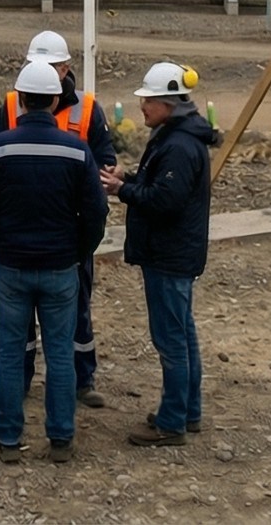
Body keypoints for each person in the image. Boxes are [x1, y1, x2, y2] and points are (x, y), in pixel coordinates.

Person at [0, 59, 107, 464]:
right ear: (55, 99)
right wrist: (80, 250)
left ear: (22, 100)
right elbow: (96, 213)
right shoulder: (78, 151)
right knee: (61, 355)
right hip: (62, 268)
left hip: (11, 267)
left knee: (10, 355)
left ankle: (8, 440)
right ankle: (61, 438)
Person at [0, 29, 118, 408]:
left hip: (68, 233)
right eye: (36, 66)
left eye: (50, 67)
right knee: (20, 321)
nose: (44, 73)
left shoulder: (88, 109)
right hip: (23, 230)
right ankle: (23, 379)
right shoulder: (12, 105)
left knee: (76, 311)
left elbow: (105, 160)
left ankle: (83, 378)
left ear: (66, 68)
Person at [99, 61, 220, 446]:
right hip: (174, 253)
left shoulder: (179, 146)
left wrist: (123, 191)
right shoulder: (177, 137)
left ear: (168, 102)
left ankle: (172, 422)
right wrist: (128, 181)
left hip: (168, 255)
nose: (142, 107)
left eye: (148, 100)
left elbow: (165, 201)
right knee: (182, 334)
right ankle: (187, 411)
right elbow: (161, 189)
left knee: (171, 339)